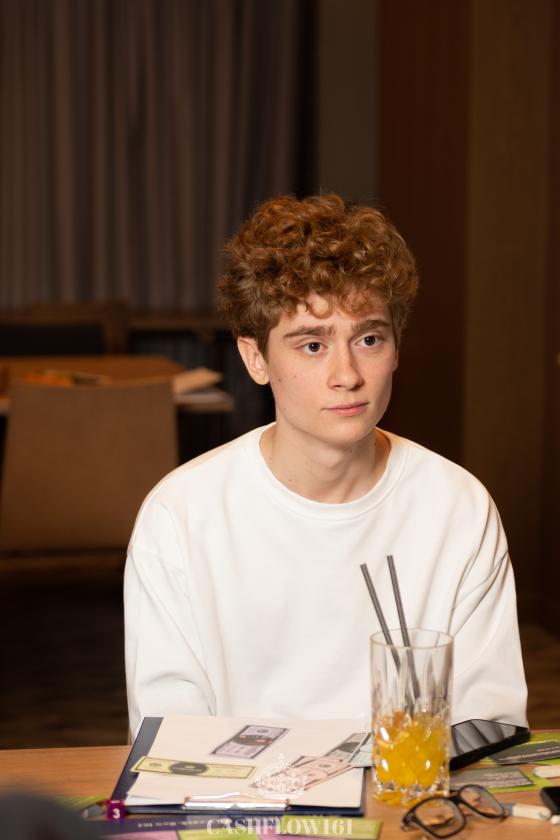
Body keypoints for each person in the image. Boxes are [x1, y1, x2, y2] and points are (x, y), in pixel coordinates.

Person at [124, 193, 527, 738]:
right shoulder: (181, 516)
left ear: (396, 347)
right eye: (312, 345)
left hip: (409, 787)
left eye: (369, 339)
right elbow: (170, 742)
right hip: (243, 793)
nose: (348, 375)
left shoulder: (459, 507)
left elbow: (489, 726)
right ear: (255, 358)